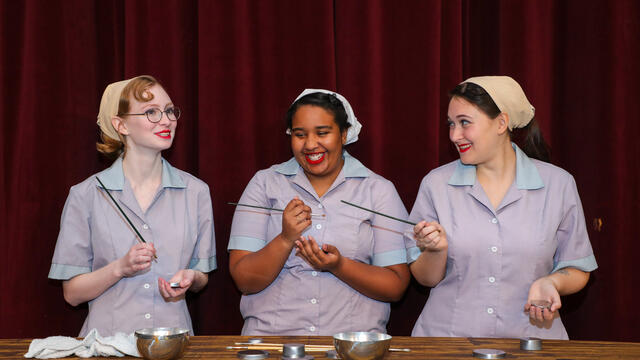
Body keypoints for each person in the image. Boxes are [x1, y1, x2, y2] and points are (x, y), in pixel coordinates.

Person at [407, 76, 597, 339]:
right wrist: (434, 251)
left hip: (532, 342)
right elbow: (425, 278)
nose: (454, 135)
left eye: (464, 123)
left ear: (501, 123)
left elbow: (578, 267)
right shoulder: (436, 185)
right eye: (451, 124)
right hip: (448, 343)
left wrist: (552, 281)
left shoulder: (558, 184)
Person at [228, 89, 410, 335]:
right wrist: (284, 239)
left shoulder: (378, 190)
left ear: (344, 134)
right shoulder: (265, 184)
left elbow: (396, 285)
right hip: (273, 341)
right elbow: (245, 280)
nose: (311, 144)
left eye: (322, 133)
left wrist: (339, 266)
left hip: (351, 345)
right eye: (300, 135)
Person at [49, 75, 216, 337]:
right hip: (106, 347)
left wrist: (192, 278)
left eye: (170, 111)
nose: (166, 120)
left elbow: (201, 274)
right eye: (151, 112)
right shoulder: (86, 195)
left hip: (173, 346)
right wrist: (120, 268)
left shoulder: (196, 192)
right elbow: (71, 294)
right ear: (121, 125)